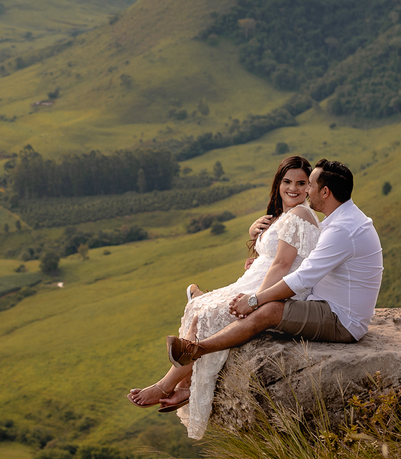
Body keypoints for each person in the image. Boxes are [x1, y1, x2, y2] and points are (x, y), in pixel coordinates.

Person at [127, 156, 320, 439]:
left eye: (301, 183)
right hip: (257, 279)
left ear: (309, 187)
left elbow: (282, 265)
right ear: (278, 183)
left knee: (203, 312)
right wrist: (254, 233)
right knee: (198, 307)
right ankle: (183, 387)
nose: (292, 188)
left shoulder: (301, 215)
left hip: (273, 288)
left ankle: (167, 385)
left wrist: (256, 299)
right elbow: (273, 255)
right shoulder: (284, 215)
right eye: (286, 181)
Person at [165, 159, 382, 376]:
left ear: (325, 192)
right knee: (265, 305)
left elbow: (302, 278)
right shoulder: (341, 221)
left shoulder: (342, 229)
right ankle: (182, 373)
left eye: (310, 186)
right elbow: (306, 260)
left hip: (341, 320)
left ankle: (197, 349)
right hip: (326, 305)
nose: (306, 191)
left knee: (268, 310)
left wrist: (254, 300)